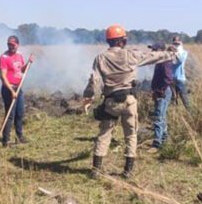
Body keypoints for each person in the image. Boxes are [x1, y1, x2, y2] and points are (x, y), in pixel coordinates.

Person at [82, 24, 178, 179]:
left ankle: (96, 170)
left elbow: (94, 81)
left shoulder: (100, 58)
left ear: (108, 41)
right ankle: (128, 171)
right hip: (129, 101)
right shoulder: (131, 55)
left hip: (111, 102)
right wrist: (170, 54)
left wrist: (88, 97)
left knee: (104, 134)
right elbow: (153, 57)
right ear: (122, 41)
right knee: (131, 135)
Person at [0, 35, 35, 146]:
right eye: (9, 45)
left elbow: (22, 70)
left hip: (18, 88)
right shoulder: (4, 57)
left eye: (13, 45)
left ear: (17, 45)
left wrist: (29, 62)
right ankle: (6, 140)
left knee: (20, 113)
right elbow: (2, 77)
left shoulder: (19, 55)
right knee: (10, 115)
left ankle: (19, 136)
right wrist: (11, 91)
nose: (10, 47)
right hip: (8, 89)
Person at [150, 44, 174, 149]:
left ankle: (157, 143)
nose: (152, 52)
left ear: (161, 50)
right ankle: (164, 139)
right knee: (161, 116)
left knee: (158, 116)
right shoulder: (159, 61)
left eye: (154, 50)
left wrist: (159, 91)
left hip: (163, 92)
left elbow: (168, 78)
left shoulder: (164, 62)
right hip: (161, 91)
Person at [170, 35, 191, 109]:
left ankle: (190, 112)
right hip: (171, 78)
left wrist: (176, 53)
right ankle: (174, 112)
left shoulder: (184, 53)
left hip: (180, 78)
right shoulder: (169, 52)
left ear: (181, 43)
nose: (176, 45)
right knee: (173, 98)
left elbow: (181, 60)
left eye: (177, 43)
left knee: (184, 97)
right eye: (175, 43)